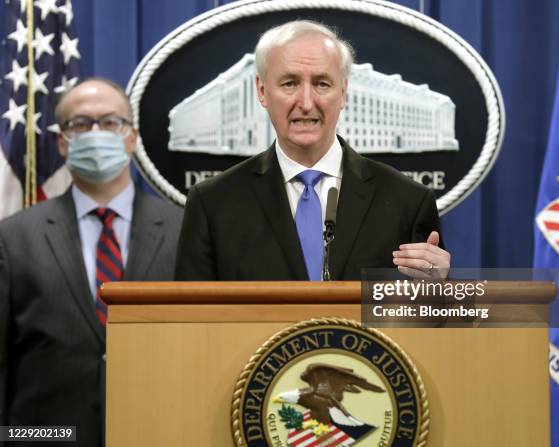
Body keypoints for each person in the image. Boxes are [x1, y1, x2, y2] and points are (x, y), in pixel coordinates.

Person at [175, 21, 450, 281]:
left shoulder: (408, 202)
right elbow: (189, 321)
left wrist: (441, 292)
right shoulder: (212, 204)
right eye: (290, 83)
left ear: (342, 92)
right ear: (262, 91)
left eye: (322, 83)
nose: (306, 103)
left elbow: (430, 323)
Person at [0, 78, 182, 446]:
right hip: (47, 439)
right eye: (81, 124)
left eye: (111, 122)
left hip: (157, 434)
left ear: (131, 137)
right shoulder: (13, 237)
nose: (96, 133)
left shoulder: (185, 230)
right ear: (63, 142)